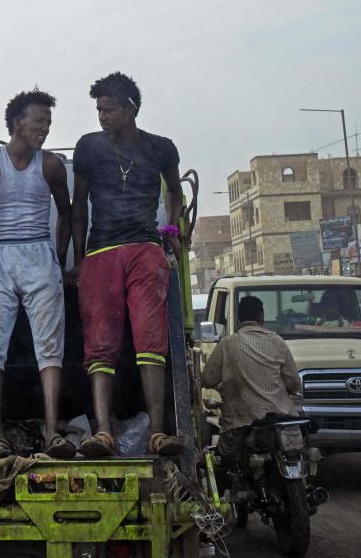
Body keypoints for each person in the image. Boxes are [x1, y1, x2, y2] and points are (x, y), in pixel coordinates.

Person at [67, 72, 185, 457]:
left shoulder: (161, 148)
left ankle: (157, 432)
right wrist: (80, 258)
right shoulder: (88, 147)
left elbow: (175, 193)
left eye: (109, 109)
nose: (102, 116)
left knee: (151, 340)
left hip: (144, 248)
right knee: (100, 343)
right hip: (101, 252)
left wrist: (171, 231)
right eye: (98, 109)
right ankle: (103, 432)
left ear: (130, 109)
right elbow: (78, 206)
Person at [0, 89, 74, 459]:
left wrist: (58, 259)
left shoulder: (50, 165)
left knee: (50, 347)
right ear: (18, 123)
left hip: (38, 250)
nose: (45, 129)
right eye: (39, 121)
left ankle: (52, 432)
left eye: (48, 122)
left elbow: (67, 212)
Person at [201, 296, 302, 463]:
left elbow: (208, 379)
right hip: (280, 419)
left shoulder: (227, 344)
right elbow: (293, 382)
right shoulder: (277, 342)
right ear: (261, 316)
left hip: (240, 423)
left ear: (240, 318)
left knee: (225, 463)